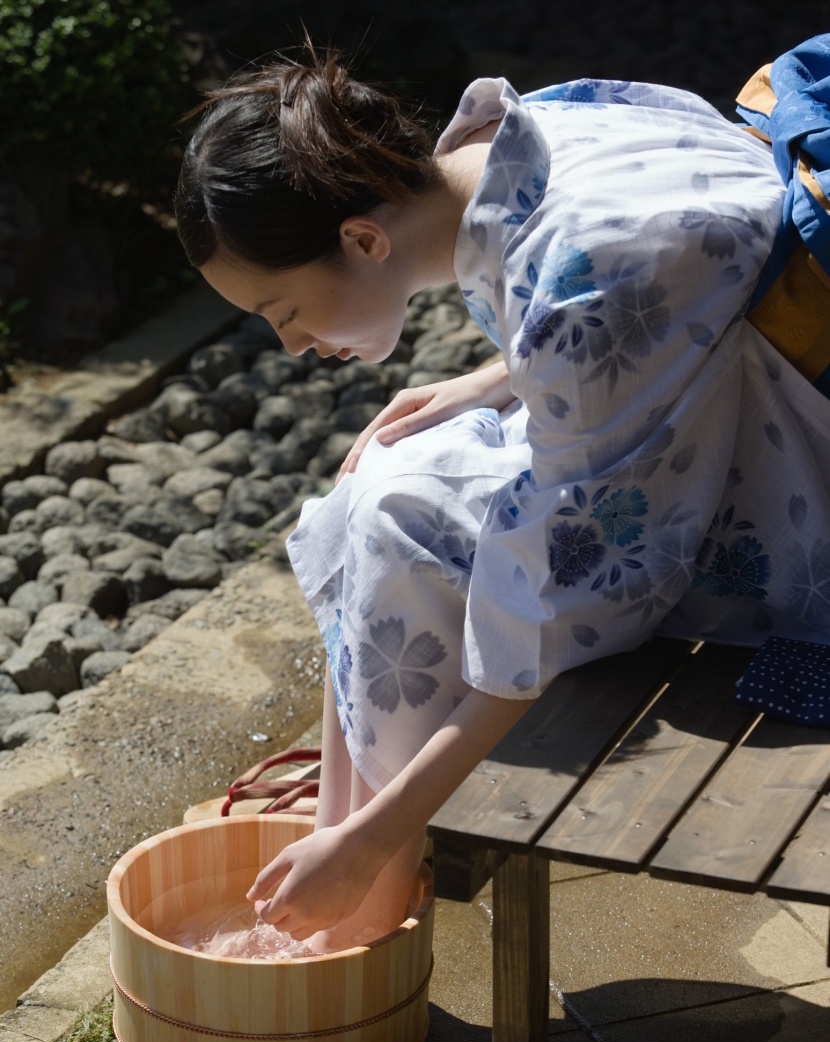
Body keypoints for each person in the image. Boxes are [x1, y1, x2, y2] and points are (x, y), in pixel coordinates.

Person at [175, 38, 830, 953]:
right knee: (382, 481)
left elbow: (555, 607)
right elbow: (690, 278)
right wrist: (499, 379)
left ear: (362, 238)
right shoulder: (534, 126)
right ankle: (337, 852)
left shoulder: (580, 282)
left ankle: (363, 886)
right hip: (727, 424)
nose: (291, 346)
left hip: (792, 492)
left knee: (407, 531)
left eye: (283, 313)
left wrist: (377, 837)